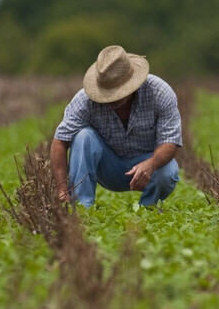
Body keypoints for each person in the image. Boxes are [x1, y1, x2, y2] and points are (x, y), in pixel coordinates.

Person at [50, 45, 182, 207]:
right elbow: (59, 141)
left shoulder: (160, 93)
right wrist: (62, 190)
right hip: (108, 167)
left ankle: (148, 210)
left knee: (167, 172)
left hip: (147, 164)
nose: (112, 99)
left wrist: (151, 164)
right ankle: (81, 208)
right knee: (83, 137)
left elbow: (170, 141)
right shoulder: (85, 100)